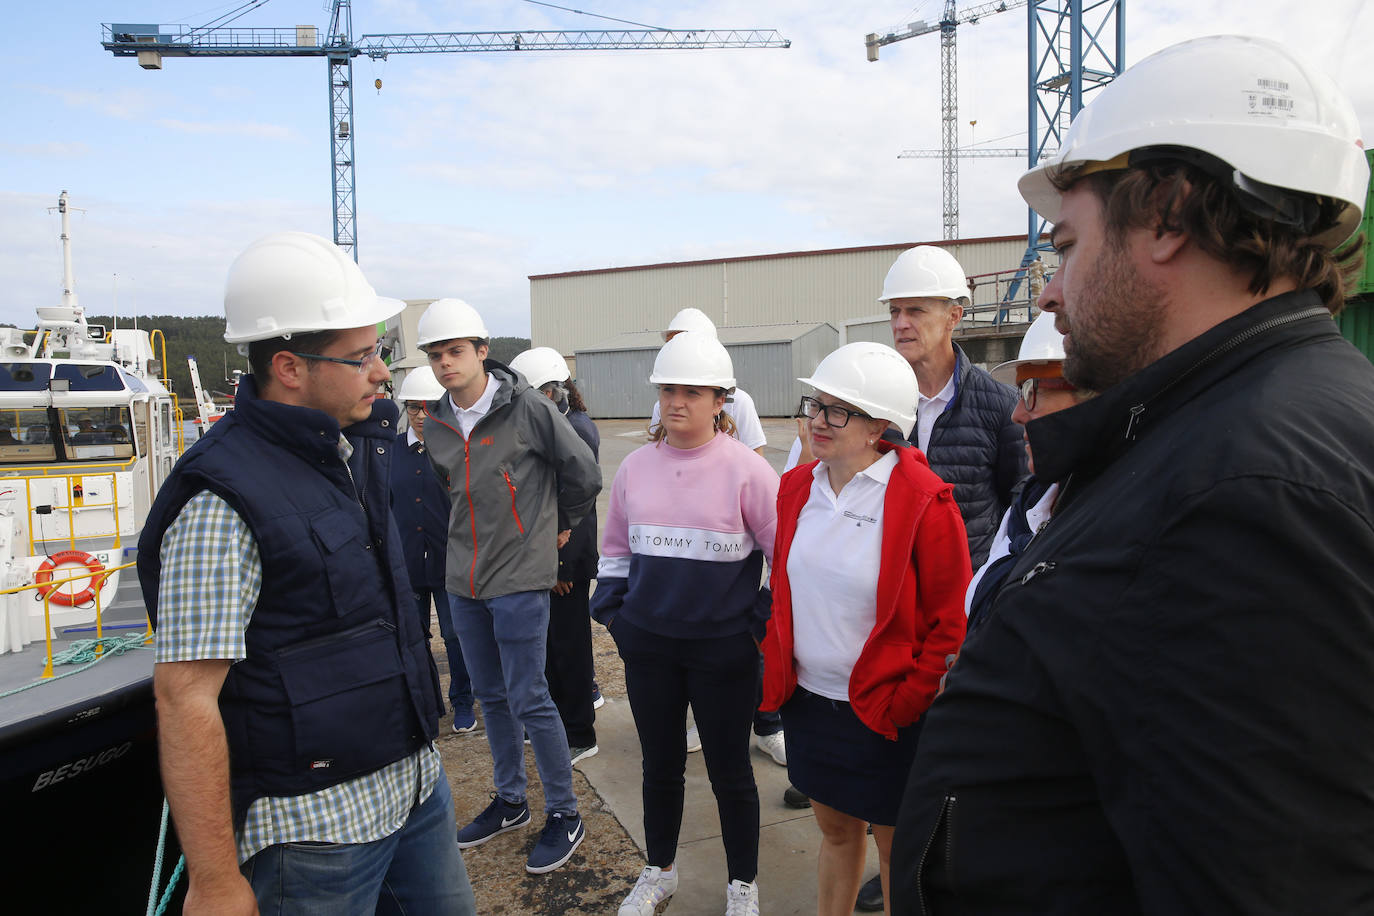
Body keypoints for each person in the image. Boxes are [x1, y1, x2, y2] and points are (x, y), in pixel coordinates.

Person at [892, 35, 1374, 914]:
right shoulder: (1226, 427)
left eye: (1069, 244)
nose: (1046, 291)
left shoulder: (1246, 496)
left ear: (1167, 215)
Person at [137, 231, 475, 914]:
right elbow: (186, 698)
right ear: (289, 368)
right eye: (361, 357)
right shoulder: (220, 501)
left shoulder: (353, 449)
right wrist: (214, 879)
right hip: (315, 835)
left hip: (412, 788)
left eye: (378, 349)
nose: (383, 372)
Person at [760, 342, 969, 916]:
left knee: (895, 847)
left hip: (883, 711)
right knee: (834, 832)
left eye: (839, 410)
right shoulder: (798, 487)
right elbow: (783, 590)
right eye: (816, 404)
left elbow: (950, 623)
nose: (818, 421)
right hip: (809, 703)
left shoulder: (925, 502)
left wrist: (908, 701)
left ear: (882, 424)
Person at [593, 331, 778, 916]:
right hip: (651, 650)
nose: (676, 402)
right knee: (660, 765)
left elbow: (788, 559)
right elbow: (616, 553)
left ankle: (742, 886)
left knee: (731, 773)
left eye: (692, 391)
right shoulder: (635, 469)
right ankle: (660, 871)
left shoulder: (748, 471)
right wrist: (620, 621)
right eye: (668, 389)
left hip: (724, 652)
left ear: (720, 399)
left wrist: (754, 624)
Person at [418, 298, 602, 875]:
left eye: (455, 351)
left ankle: (564, 812)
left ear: (480, 351)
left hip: (520, 574)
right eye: (435, 354)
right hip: (462, 577)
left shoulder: (528, 410)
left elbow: (583, 474)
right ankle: (511, 800)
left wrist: (558, 527)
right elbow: (448, 486)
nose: (446, 363)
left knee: (529, 695)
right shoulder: (438, 421)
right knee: (491, 694)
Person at [649, 308, 784, 766]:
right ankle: (698, 720)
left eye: (681, 339)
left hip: (730, 534)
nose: (673, 348)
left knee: (742, 640)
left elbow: (756, 453)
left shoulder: (736, 401)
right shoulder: (665, 401)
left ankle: (767, 724)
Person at [964, 312, 1089, 634]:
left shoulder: (1121, 521)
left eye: (1034, 390)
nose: (1017, 414)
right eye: (1021, 391)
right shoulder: (1031, 503)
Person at [509, 345, 600, 764]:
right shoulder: (554, 423)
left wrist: (562, 565)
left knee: (570, 648)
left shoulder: (576, 429)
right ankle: (559, 722)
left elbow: (578, 504)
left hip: (566, 560)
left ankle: (580, 731)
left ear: (551, 390)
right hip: (544, 558)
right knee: (549, 646)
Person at [390, 365, 476, 733]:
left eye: (428, 406)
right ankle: (426, 704)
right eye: (413, 408)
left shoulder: (455, 449)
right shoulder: (389, 453)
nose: (421, 415)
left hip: (448, 561)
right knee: (413, 636)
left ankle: (462, 701)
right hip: (406, 563)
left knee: (456, 635)